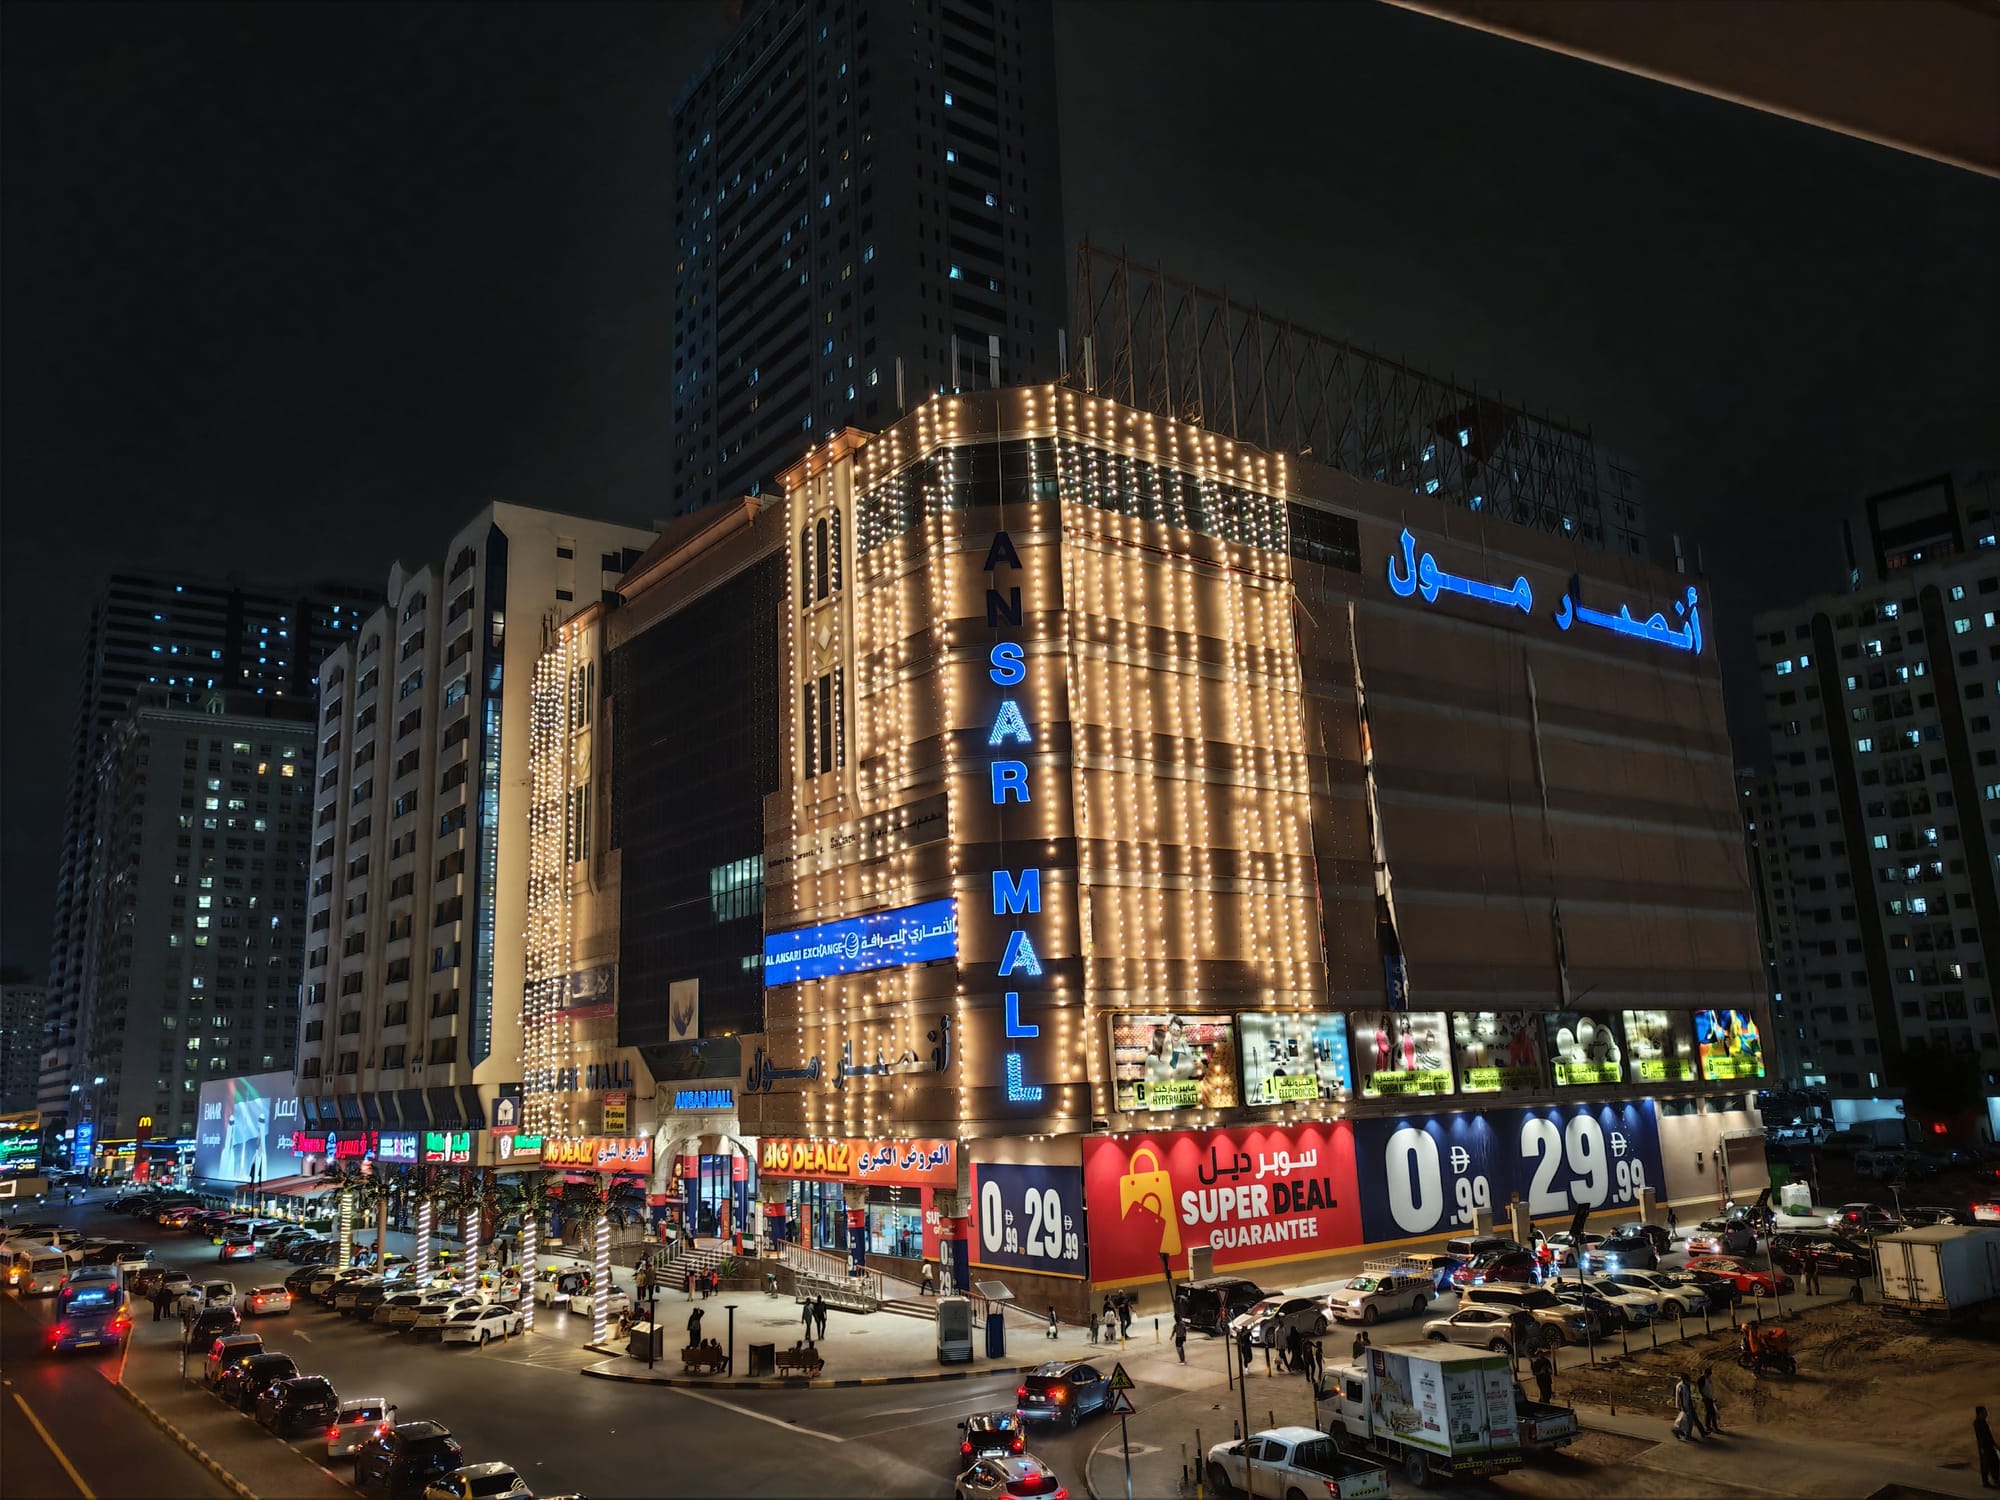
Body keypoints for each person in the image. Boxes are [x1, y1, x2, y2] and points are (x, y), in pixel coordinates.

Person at [1974, 1405, 1999, 1490]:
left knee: (1994, 1462)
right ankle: (1987, 1482)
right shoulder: (1977, 1423)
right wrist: (1982, 1448)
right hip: (1985, 1447)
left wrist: (1994, 1444)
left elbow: (1989, 1435)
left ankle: (1995, 1480)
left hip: (1989, 1446)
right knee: (1986, 1464)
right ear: (1980, 1413)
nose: (1986, 1413)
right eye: (1984, 1412)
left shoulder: (1983, 1422)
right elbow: (1980, 1436)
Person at [1673, 1373, 1701, 1442]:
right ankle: (1686, 1435)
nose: (1689, 1381)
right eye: (1688, 1380)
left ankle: (1679, 1431)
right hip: (1685, 1406)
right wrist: (1682, 1407)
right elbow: (1680, 1398)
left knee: (1686, 1421)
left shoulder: (1686, 1385)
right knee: (1688, 1421)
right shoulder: (1681, 1386)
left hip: (1687, 1405)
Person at [1699, 1368, 1721, 1434]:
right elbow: (1700, 1389)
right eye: (1708, 1374)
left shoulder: (1708, 1379)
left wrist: (1712, 1397)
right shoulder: (1701, 1379)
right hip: (1706, 1398)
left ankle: (1712, 1427)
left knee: (1712, 1413)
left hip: (1710, 1398)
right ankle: (1709, 1427)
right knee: (1710, 1413)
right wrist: (1703, 1396)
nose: (1709, 1376)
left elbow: (1710, 1388)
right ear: (1705, 1373)